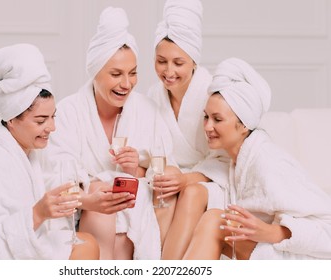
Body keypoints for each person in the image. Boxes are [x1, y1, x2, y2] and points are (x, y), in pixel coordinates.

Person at [0, 44, 99, 260]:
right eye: (41, 120)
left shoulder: (29, 154)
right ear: (12, 119)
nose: (52, 128)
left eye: (53, 117)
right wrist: (37, 213)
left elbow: (57, 176)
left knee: (87, 243)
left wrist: (86, 195)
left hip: (21, 248)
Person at [46, 7, 174, 260]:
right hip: (86, 211)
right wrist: (94, 189)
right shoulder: (69, 112)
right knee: (102, 195)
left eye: (133, 73)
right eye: (116, 74)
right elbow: (57, 173)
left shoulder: (148, 111)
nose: (126, 84)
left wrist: (137, 167)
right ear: (95, 72)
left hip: (136, 210)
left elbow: (165, 168)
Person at [183, 57, 331, 260]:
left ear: (244, 125)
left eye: (217, 119)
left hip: (298, 258)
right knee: (210, 216)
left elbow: (327, 226)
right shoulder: (236, 161)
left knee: (215, 221)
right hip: (265, 252)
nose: (208, 127)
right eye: (206, 117)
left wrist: (275, 232)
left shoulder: (268, 164)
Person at [146, 0, 229, 259]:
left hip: (212, 180)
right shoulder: (153, 95)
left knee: (190, 192)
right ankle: (148, 260)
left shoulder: (212, 95)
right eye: (161, 61)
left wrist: (185, 179)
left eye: (178, 63)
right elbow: (151, 150)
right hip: (172, 179)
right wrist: (168, 175)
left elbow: (226, 159)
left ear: (193, 61)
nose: (169, 72)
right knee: (164, 180)